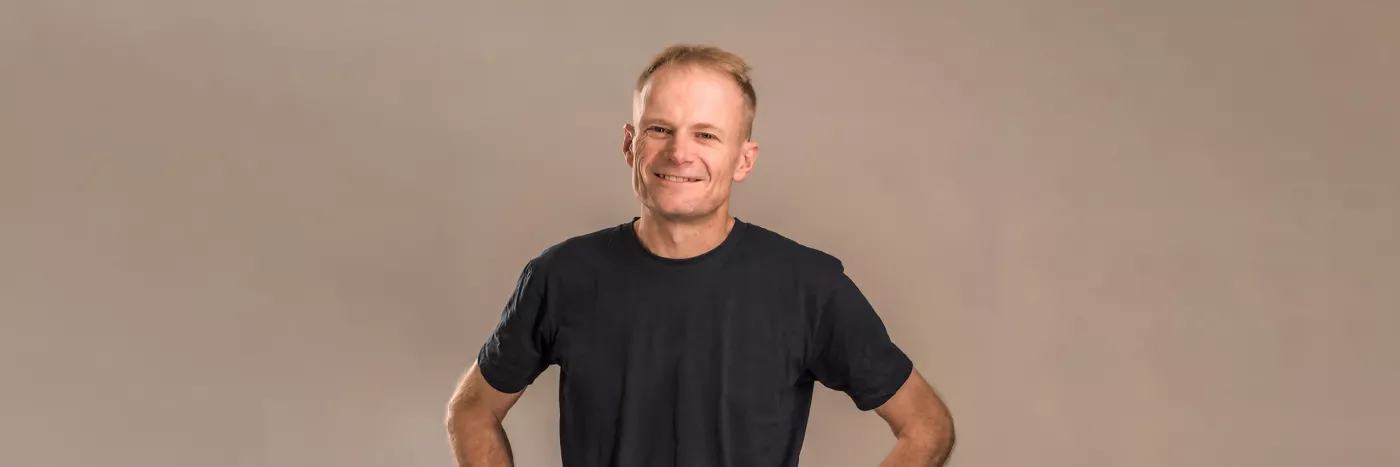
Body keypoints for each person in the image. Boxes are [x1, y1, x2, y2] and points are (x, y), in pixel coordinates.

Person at [445, 43, 955, 467]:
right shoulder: (561, 276)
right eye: (659, 129)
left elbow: (925, 426)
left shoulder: (808, 286)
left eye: (706, 135)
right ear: (630, 144)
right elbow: (471, 412)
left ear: (743, 159)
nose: (679, 153)